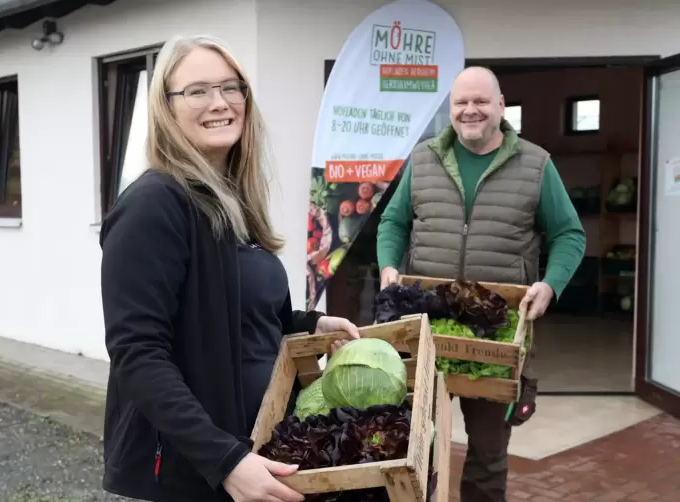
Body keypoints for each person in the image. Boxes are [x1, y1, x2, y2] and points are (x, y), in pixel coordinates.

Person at [99, 34, 360, 502]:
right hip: (196, 472)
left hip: (258, 447)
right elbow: (137, 353)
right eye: (197, 91)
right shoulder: (153, 205)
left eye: (230, 87)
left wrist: (310, 323)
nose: (218, 102)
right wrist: (226, 461)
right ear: (166, 107)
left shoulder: (231, 200)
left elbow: (240, 314)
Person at [376, 66, 586, 502]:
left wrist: (550, 285)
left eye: (481, 101)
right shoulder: (423, 159)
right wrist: (388, 267)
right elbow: (394, 222)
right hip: (426, 327)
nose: (470, 110)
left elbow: (569, 234)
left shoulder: (535, 164)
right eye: (461, 103)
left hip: (498, 334)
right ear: (450, 109)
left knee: (489, 454)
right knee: (416, 445)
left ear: (500, 107)